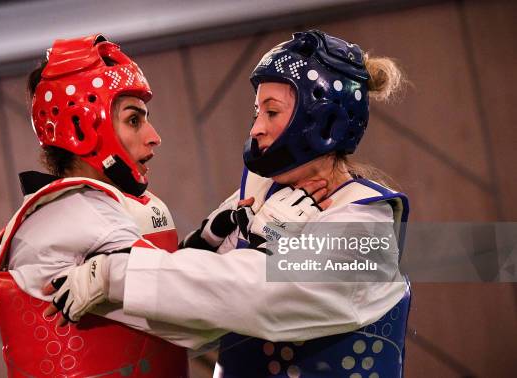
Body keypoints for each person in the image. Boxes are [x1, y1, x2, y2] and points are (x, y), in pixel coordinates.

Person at [45, 30, 411, 378]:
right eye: (257, 113)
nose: (255, 129)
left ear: (322, 119)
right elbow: (193, 313)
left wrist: (116, 275)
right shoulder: (264, 195)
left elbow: (259, 295)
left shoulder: (368, 224)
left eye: (271, 112)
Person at [0, 34, 195, 377]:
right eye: (134, 120)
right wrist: (280, 240)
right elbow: (203, 311)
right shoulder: (78, 217)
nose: (153, 135)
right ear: (84, 127)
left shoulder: (88, 209)